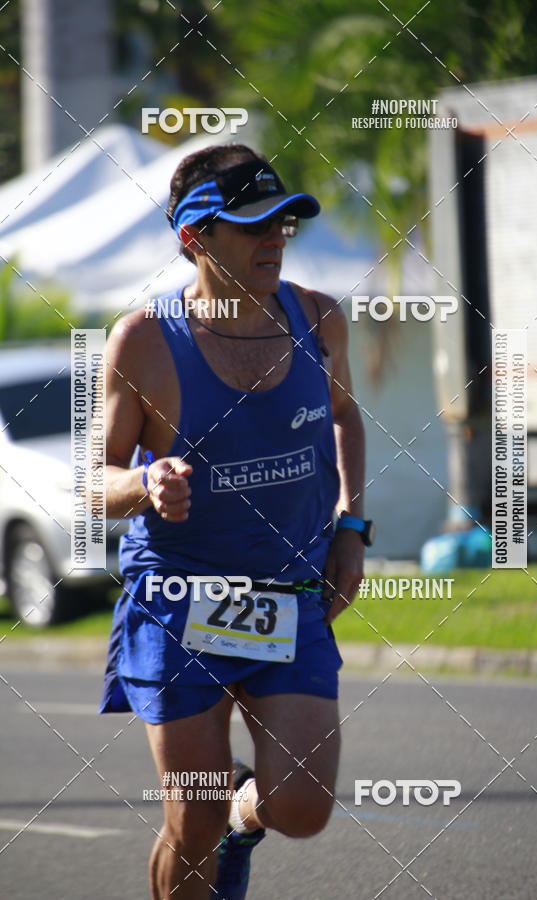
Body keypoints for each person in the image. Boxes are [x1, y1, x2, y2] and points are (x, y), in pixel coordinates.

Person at [99, 142, 372, 899]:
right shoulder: (143, 341)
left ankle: (239, 818)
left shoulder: (318, 318)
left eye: (283, 222)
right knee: (190, 823)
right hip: (180, 600)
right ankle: (212, 824)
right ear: (195, 237)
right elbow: (93, 482)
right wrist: (145, 483)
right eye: (252, 225)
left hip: (287, 593)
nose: (275, 238)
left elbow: (346, 416)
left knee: (303, 808)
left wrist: (351, 527)